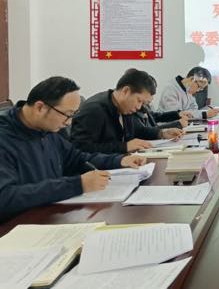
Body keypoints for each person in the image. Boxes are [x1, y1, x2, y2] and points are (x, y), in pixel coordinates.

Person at [0, 76, 146, 222]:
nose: (69, 122)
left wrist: (119, 160)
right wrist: (77, 185)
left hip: (48, 214)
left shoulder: (47, 129)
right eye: (67, 114)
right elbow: (5, 197)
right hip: (16, 227)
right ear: (40, 108)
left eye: (73, 115)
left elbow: (76, 159)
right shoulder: (5, 137)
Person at [70, 69, 181, 153]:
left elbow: (139, 131)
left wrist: (162, 133)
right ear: (126, 91)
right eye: (139, 101)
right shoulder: (94, 110)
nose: (139, 107)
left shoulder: (124, 108)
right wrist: (124, 147)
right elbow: (80, 148)